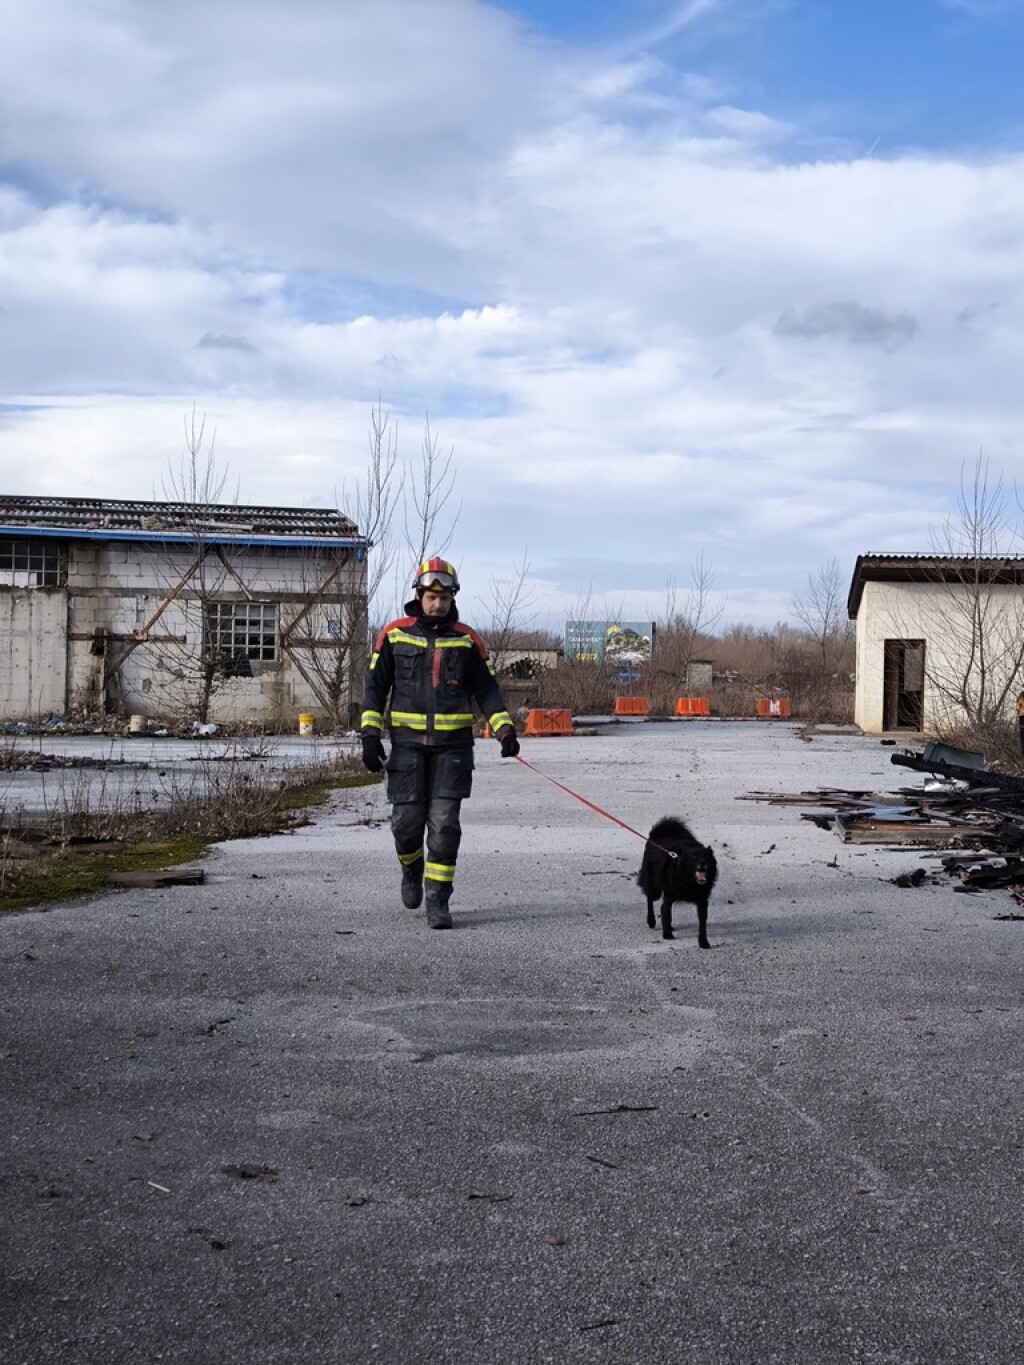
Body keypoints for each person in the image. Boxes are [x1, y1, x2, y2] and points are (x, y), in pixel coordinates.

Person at [359, 556, 521, 928]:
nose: (438, 603)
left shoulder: (467, 640)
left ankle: (438, 900)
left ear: (452, 597)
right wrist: (369, 734)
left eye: (445, 597)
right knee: (406, 823)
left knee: (445, 824)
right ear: (419, 595)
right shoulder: (394, 634)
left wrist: (505, 729)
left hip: (454, 749)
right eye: (432, 596)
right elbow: (374, 689)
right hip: (408, 747)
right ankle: (411, 868)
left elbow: (486, 690)